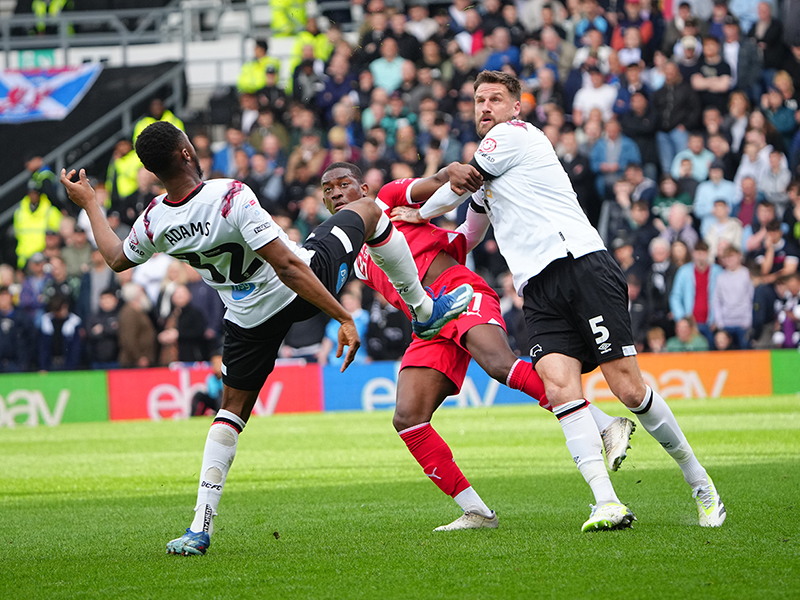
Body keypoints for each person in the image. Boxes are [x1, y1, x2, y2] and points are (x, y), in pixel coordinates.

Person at [59, 121, 473, 557]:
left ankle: (199, 527)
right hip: (300, 285)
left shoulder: (154, 220)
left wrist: (89, 203)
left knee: (231, 411)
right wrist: (343, 315)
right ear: (185, 154)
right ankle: (425, 312)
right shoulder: (229, 195)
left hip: (247, 318)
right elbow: (289, 268)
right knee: (370, 211)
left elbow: (115, 258)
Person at [395, 70, 726, 531]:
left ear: (516, 108)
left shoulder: (512, 137)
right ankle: (606, 502)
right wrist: (412, 249)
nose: (485, 107)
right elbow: (465, 237)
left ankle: (700, 483)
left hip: (580, 265)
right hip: (537, 288)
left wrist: (412, 214)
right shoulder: (487, 182)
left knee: (628, 389)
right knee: (559, 388)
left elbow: (452, 191)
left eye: (494, 99)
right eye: (478, 101)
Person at [325, 161, 635, 531]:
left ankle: (603, 423)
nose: (336, 193)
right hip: (426, 323)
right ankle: (477, 512)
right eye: (328, 190)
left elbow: (439, 183)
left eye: (344, 184)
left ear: (363, 190)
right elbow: (458, 240)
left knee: (499, 364)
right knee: (408, 418)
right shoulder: (349, 253)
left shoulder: (389, 200)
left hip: (455, 290)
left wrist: (456, 172)